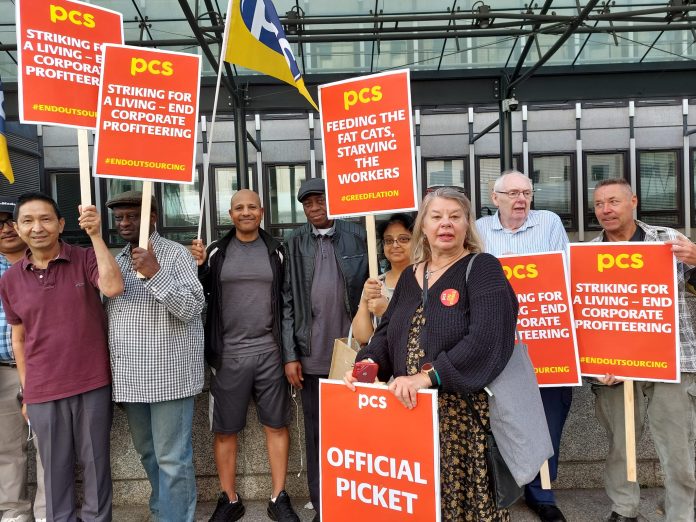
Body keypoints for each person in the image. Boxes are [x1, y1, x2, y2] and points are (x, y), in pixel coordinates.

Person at [345, 187, 519, 520]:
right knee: (420, 504)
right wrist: (365, 370)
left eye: (455, 216)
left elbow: (486, 339)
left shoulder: (482, 268)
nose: (446, 224)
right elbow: (386, 335)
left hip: (462, 419)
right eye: (436, 217)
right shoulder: (412, 275)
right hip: (412, 413)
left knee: (463, 504)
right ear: (423, 226)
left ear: (467, 224)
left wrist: (426, 377)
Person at [0, 192, 123, 522]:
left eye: (45, 219)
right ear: (17, 227)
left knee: (97, 467)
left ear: (61, 224)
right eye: (27, 220)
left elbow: (112, 287)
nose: (37, 227)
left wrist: (96, 235)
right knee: (54, 476)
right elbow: (19, 337)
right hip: (43, 390)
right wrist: (27, 391)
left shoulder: (84, 258)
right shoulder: (10, 279)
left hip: (91, 382)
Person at [590, 178, 696, 522]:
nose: (606, 209)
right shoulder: (590, 253)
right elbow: (585, 313)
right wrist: (594, 364)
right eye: (599, 204)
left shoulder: (668, 240)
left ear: (633, 201)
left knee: (677, 447)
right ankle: (624, 509)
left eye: (613, 201)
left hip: (672, 359)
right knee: (621, 446)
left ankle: (681, 513)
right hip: (615, 366)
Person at [191, 189, 300, 522]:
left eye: (252, 206)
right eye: (239, 207)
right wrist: (198, 268)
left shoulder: (277, 251)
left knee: (277, 425)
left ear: (262, 211)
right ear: (230, 214)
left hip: (270, 352)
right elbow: (199, 296)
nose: (246, 212)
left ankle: (278, 497)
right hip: (228, 356)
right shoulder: (215, 252)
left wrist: (289, 354)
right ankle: (229, 499)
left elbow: (287, 302)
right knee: (225, 430)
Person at [103, 190, 204, 522]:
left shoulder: (176, 255)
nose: (124, 223)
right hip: (131, 380)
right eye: (119, 218)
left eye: (132, 215)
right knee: (148, 454)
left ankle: (176, 518)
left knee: (172, 458)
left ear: (153, 217)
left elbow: (192, 308)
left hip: (170, 376)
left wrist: (156, 273)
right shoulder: (116, 260)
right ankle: (164, 511)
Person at [476, 170, 570, 522]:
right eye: (513, 193)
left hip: (547, 334)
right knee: (497, 416)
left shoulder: (549, 223)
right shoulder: (480, 229)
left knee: (547, 415)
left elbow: (565, 273)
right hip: (498, 338)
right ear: (494, 196)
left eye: (527, 192)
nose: (521, 199)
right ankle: (499, 487)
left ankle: (541, 492)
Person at [281, 177, 368, 521]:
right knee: (317, 436)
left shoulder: (359, 235)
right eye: (308, 204)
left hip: (354, 354)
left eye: (321, 201)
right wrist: (290, 355)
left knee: (357, 434)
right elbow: (286, 301)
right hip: (311, 355)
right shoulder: (294, 242)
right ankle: (324, 506)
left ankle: (357, 501)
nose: (315, 209)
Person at [0, 196, 45, 522]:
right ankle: (14, 514)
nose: (5, 229)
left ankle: (48, 513)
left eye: (9, 221)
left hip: (45, 370)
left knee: (49, 449)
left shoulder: (44, 262)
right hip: (2, 371)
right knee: (6, 451)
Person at [351, 213, 413, 344]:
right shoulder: (377, 283)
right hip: (381, 361)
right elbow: (362, 338)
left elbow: (427, 330)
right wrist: (364, 300)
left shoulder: (427, 280)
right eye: (389, 240)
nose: (395, 245)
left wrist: (387, 311)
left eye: (403, 239)